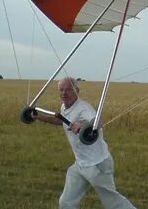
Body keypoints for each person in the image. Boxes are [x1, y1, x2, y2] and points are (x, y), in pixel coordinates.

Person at [32, 77, 136, 209]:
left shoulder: (83, 108)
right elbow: (61, 121)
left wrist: (82, 125)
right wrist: (39, 117)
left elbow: (97, 122)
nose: (64, 93)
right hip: (80, 164)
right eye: (61, 90)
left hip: (97, 164)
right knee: (66, 202)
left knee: (112, 203)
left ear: (77, 91)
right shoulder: (65, 106)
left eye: (69, 90)